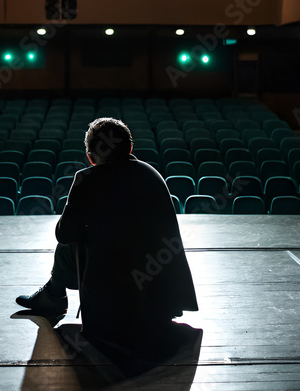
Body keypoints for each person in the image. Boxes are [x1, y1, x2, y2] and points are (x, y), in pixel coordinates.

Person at [16, 117, 199, 355]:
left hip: (111, 310)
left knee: (73, 241)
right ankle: (53, 294)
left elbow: (64, 234)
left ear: (91, 157)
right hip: (163, 301)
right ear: (130, 149)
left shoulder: (88, 178)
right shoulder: (152, 175)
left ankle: (53, 295)